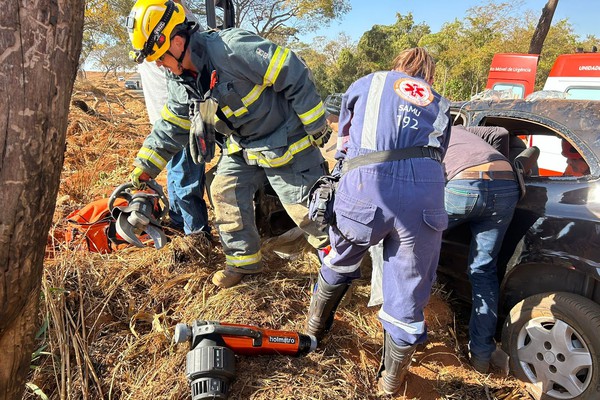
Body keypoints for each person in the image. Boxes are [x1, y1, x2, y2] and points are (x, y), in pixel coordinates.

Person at [125, 0, 331, 288]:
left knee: (305, 209)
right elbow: (172, 126)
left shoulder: (232, 49)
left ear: (178, 40)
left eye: (160, 56)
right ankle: (243, 264)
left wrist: (316, 124)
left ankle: (342, 270)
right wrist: (144, 168)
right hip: (243, 144)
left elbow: (290, 69)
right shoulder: (182, 81)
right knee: (223, 190)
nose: (160, 64)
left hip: (284, 139)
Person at [304, 47, 451, 396]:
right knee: (408, 291)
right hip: (424, 199)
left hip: (365, 188)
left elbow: (343, 142)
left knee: (340, 258)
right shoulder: (440, 102)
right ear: (428, 77)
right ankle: (389, 385)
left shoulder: (369, 83)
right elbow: (439, 153)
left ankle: (313, 331)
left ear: (397, 66)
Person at [443, 125, 520, 373]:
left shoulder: (422, 129)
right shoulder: (460, 128)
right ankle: (481, 356)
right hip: (507, 185)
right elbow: (500, 133)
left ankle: (411, 331)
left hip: (464, 186)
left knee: (416, 245)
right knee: (483, 270)